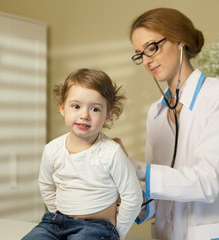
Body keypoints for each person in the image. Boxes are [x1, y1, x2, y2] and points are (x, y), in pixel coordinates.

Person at [117, 7, 219, 240]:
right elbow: (159, 199)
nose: (147, 61)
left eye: (152, 47)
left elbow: (209, 181)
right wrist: (121, 188)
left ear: (179, 40)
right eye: (140, 54)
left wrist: (135, 168)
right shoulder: (156, 112)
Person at [21, 68, 142, 240]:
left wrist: (117, 232)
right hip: (56, 222)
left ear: (108, 115)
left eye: (95, 109)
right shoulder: (52, 150)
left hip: (97, 226)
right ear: (63, 108)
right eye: (76, 106)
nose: (84, 115)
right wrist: (57, 212)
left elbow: (133, 197)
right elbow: (46, 186)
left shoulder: (111, 152)